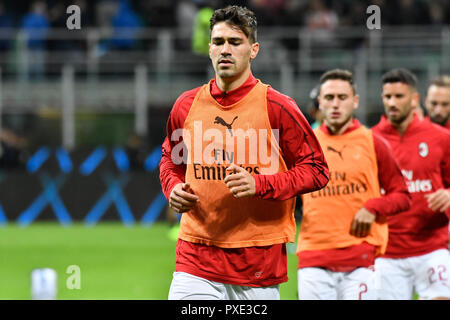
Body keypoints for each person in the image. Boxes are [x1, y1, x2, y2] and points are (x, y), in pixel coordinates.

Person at [159, 5, 329, 300]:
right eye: (218, 42)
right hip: (196, 255)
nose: (225, 49)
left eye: (235, 42)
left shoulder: (278, 107)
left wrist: (261, 184)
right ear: (209, 48)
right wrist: (172, 187)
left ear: (253, 50)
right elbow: (171, 161)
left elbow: (317, 169)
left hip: (257, 262)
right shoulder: (185, 106)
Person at [296, 69, 411, 300]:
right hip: (313, 257)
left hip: (361, 258)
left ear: (355, 101)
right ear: (320, 102)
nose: (335, 104)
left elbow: (402, 196)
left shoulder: (373, 142)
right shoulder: (303, 145)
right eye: (329, 98)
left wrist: (373, 207)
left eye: (342, 97)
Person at [372, 68, 450, 300]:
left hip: (432, 247)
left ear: (415, 99)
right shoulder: (370, 141)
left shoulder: (441, 138)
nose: (392, 102)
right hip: (387, 253)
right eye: (387, 96)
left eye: (399, 96)